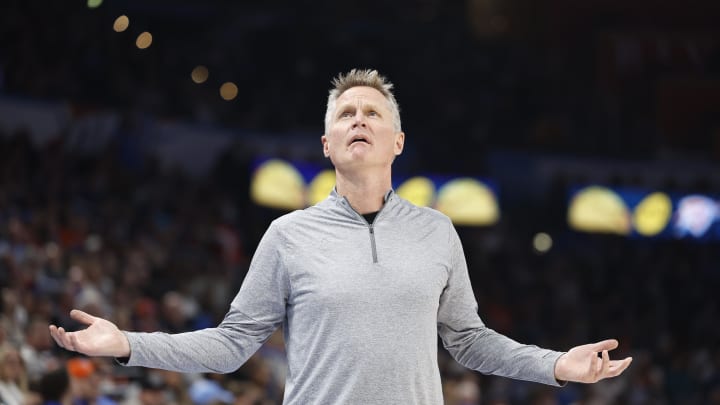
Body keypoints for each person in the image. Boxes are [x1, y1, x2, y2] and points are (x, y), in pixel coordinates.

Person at [50, 69, 632, 404]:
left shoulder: (437, 231)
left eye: (373, 113)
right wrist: (127, 343)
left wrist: (559, 365)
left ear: (398, 142)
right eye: (345, 113)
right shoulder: (288, 235)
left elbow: (470, 343)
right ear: (326, 144)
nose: (359, 119)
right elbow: (231, 346)